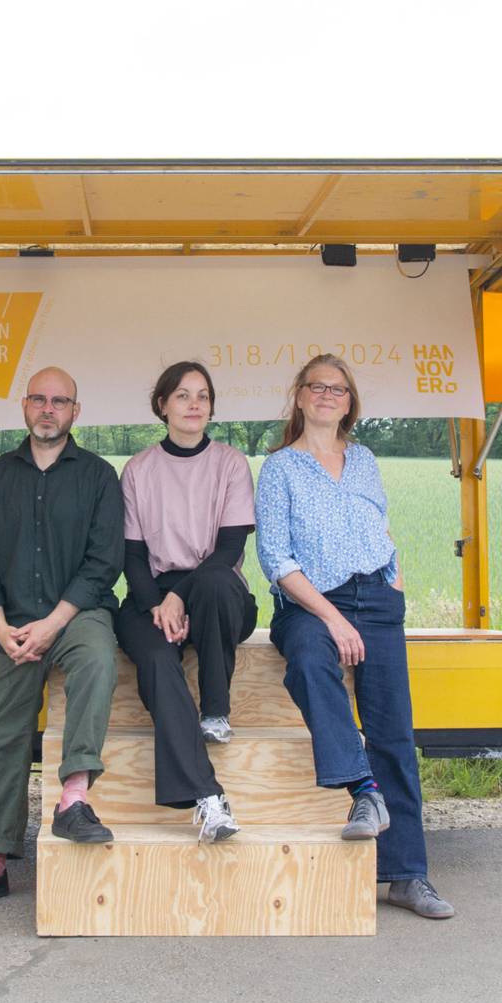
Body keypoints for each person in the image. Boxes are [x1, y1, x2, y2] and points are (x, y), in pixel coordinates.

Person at [254, 353, 455, 920]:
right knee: (310, 662)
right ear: (298, 397)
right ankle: (363, 789)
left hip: (378, 599)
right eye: (317, 386)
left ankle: (407, 876)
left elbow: (379, 525)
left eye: (338, 389)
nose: (327, 395)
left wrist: (395, 577)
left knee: (394, 732)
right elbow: (275, 557)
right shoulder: (280, 469)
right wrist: (334, 619)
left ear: (350, 402)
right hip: (311, 603)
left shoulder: (364, 460)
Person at [0, 366, 123, 911]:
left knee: (97, 659)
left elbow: (103, 563)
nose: (49, 409)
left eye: (60, 401)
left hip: (78, 613)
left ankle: (73, 799)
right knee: (6, 736)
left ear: (75, 412)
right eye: (40, 400)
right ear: (25, 406)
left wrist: (53, 623)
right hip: (12, 622)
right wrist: (0, 626)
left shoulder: (98, 476)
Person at [114, 362, 257, 842]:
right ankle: (207, 797)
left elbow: (230, 550)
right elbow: (132, 557)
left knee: (215, 582)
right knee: (155, 658)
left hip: (218, 598)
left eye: (202, 396)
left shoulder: (231, 463)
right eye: (182, 395)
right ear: (162, 406)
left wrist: (180, 594)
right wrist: (158, 604)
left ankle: (216, 709)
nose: (194, 404)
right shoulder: (137, 470)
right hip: (151, 593)